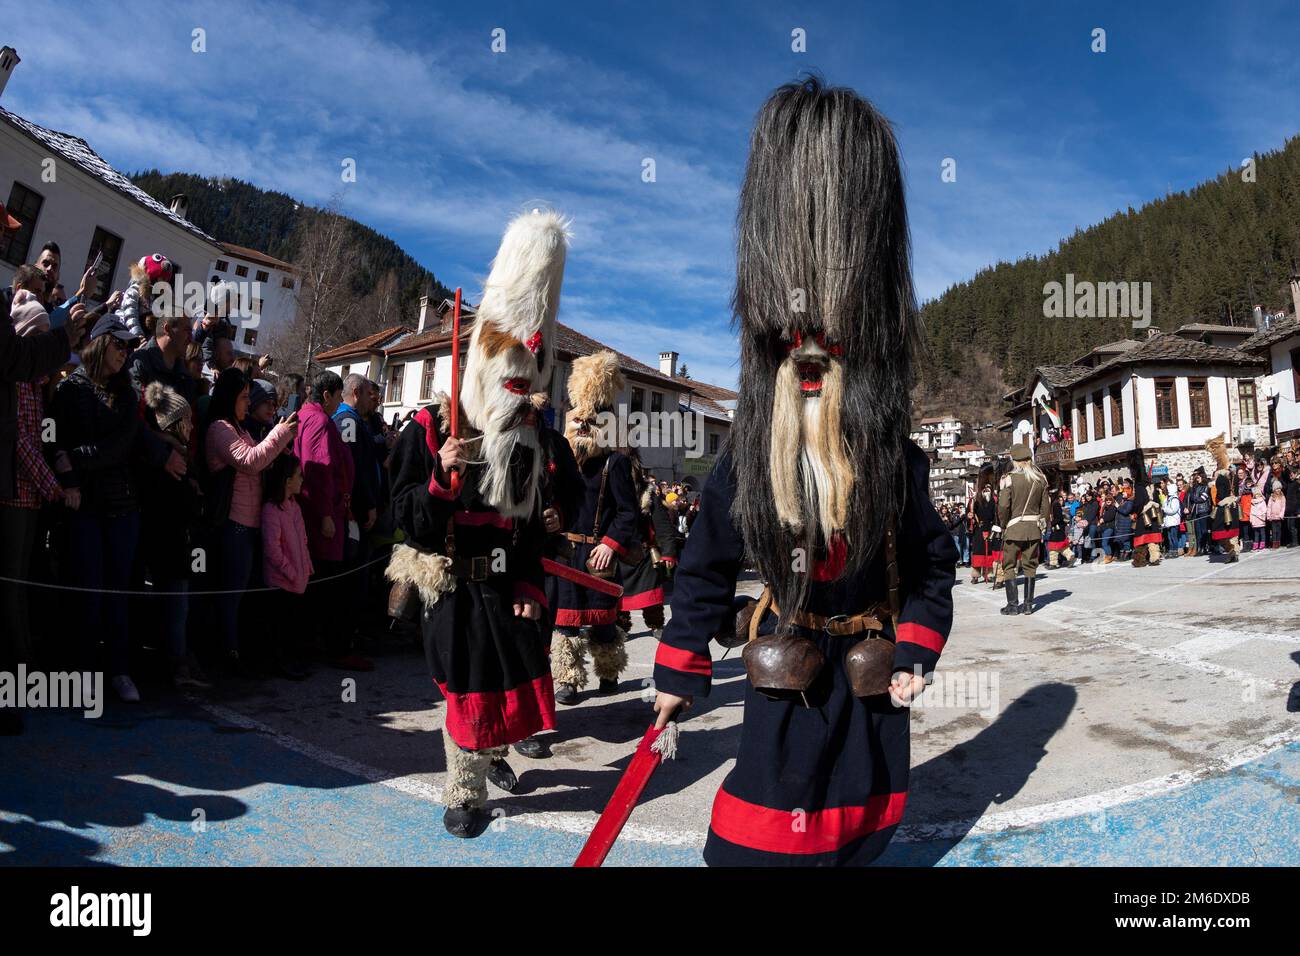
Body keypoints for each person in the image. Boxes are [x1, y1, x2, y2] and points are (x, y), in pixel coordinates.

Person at [650, 78, 956, 866]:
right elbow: (705, 563)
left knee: (862, 841)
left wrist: (916, 654)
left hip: (871, 690)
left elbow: (930, 566)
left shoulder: (896, 461)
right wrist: (679, 671)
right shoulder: (747, 456)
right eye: (794, 347)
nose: (810, 360)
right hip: (782, 690)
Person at [385, 209, 571, 837]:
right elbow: (404, 514)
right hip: (451, 587)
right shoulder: (427, 429)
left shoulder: (526, 441)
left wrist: (525, 584)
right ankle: (464, 790)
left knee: (508, 681)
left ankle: (493, 754)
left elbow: (527, 529)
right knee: (464, 689)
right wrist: (441, 476)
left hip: (502, 587)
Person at [50, 316, 185, 702]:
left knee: (119, 593)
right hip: (84, 508)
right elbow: (52, 438)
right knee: (86, 593)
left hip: (123, 506)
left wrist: (73, 460)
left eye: (128, 346)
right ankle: (80, 676)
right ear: (98, 344)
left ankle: (119, 670)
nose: (125, 352)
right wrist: (69, 475)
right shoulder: (69, 390)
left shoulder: (127, 392)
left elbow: (125, 443)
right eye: (119, 345)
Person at [551, 350, 641, 703]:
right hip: (565, 553)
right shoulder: (560, 462)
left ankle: (608, 670)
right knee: (565, 620)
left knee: (603, 622)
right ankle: (568, 680)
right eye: (580, 422)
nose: (585, 428)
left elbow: (628, 514)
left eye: (592, 423)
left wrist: (609, 544)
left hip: (598, 555)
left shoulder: (615, 463)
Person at [204, 368, 298, 673]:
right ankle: (225, 657)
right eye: (244, 397)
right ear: (230, 398)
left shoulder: (239, 428)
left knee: (242, 594)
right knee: (230, 595)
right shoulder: (220, 429)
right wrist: (280, 434)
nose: (247, 403)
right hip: (233, 525)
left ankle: (237, 653)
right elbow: (250, 461)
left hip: (248, 524)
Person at [294, 370, 367, 670]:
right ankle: (329, 647)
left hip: (320, 510)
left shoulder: (307, 417)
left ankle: (316, 643)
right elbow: (319, 471)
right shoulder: (321, 421)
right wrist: (326, 515)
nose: (340, 403)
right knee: (328, 582)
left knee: (321, 582)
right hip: (323, 514)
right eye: (338, 396)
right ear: (326, 396)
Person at [140, 382, 209, 688]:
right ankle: (175, 665)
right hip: (170, 545)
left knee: (175, 605)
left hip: (174, 545)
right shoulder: (170, 457)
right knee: (175, 607)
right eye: (188, 420)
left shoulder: (174, 452)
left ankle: (176, 662)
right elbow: (179, 506)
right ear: (176, 424)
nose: (193, 425)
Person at [260, 453, 312, 679]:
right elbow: (272, 549)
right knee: (280, 626)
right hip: (281, 582)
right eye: (298, 476)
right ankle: (280, 663)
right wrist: (291, 573)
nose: (302, 480)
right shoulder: (272, 510)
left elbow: (303, 542)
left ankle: (293, 659)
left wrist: (306, 568)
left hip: (298, 580)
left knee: (294, 625)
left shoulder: (294, 507)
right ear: (286, 480)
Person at [997, 445, 1050, 614]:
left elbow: (1004, 506)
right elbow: (1045, 508)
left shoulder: (1009, 478)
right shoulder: (1041, 479)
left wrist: (1004, 524)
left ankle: (1013, 606)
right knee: (1030, 566)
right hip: (1033, 529)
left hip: (1013, 528)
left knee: (1009, 566)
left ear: (1014, 460)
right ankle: (1028, 605)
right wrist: (1042, 526)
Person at [1206, 434, 1241, 562]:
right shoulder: (1230, 475)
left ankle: (1233, 551)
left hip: (1225, 505)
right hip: (1230, 505)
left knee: (1220, 531)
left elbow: (1222, 493)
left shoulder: (1223, 476)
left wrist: (1213, 484)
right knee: (1229, 532)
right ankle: (1233, 552)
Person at [969, 463, 998, 584]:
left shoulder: (994, 496)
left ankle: (990, 573)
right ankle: (975, 574)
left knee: (991, 550)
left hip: (991, 526)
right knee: (979, 550)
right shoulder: (976, 497)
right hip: (980, 526)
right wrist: (969, 515)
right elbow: (970, 511)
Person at [1161, 478, 1184, 558]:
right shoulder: (1168, 499)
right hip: (1169, 522)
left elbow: (1173, 510)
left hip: (1173, 521)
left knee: (1174, 537)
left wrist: (1164, 509)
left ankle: (1175, 550)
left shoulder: (1174, 499)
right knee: (1170, 537)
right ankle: (1171, 550)